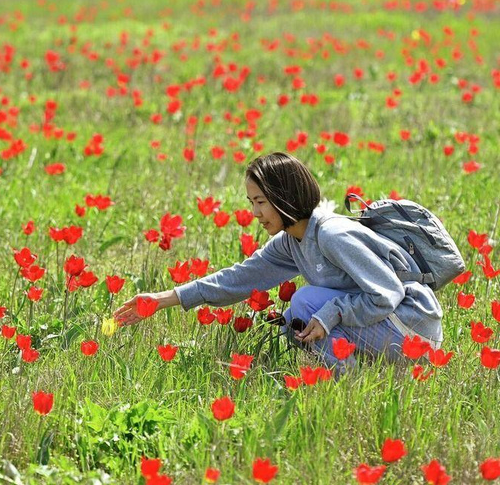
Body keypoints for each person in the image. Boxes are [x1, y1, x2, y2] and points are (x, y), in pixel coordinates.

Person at [113, 152, 444, 374]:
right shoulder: (291, 241)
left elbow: (387, 293)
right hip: (389, 328)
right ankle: (356, 380)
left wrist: (332, 313)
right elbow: (239, 278)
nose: (255, 213)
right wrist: (163, 299)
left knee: (304, 303)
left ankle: (350, 382)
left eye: (261, 202)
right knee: (290, 322)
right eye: (251, 202)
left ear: (285, 199)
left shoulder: (332, 234)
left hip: (413, 327)